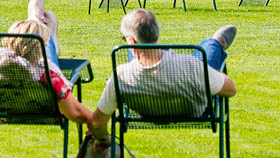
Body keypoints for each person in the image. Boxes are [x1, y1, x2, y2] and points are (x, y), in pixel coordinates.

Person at [86, 9, 237, 139]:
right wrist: (214, 73)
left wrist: (103, 139)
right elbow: (230, 89)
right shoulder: (192, 66)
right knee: (207, 49)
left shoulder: (120, 76)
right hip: (193, 110)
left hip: (147, 110)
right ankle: (216, 42)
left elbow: (98, 121)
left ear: (131, 41)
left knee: (140, 57)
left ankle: (148, 53)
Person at [0, 18, 96, 137]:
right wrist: (96, 123)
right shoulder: (48, 76)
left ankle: (43, 17)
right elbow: (76, 113)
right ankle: (49, 23)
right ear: (42, 46)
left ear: (8, 42)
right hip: (46, 117)